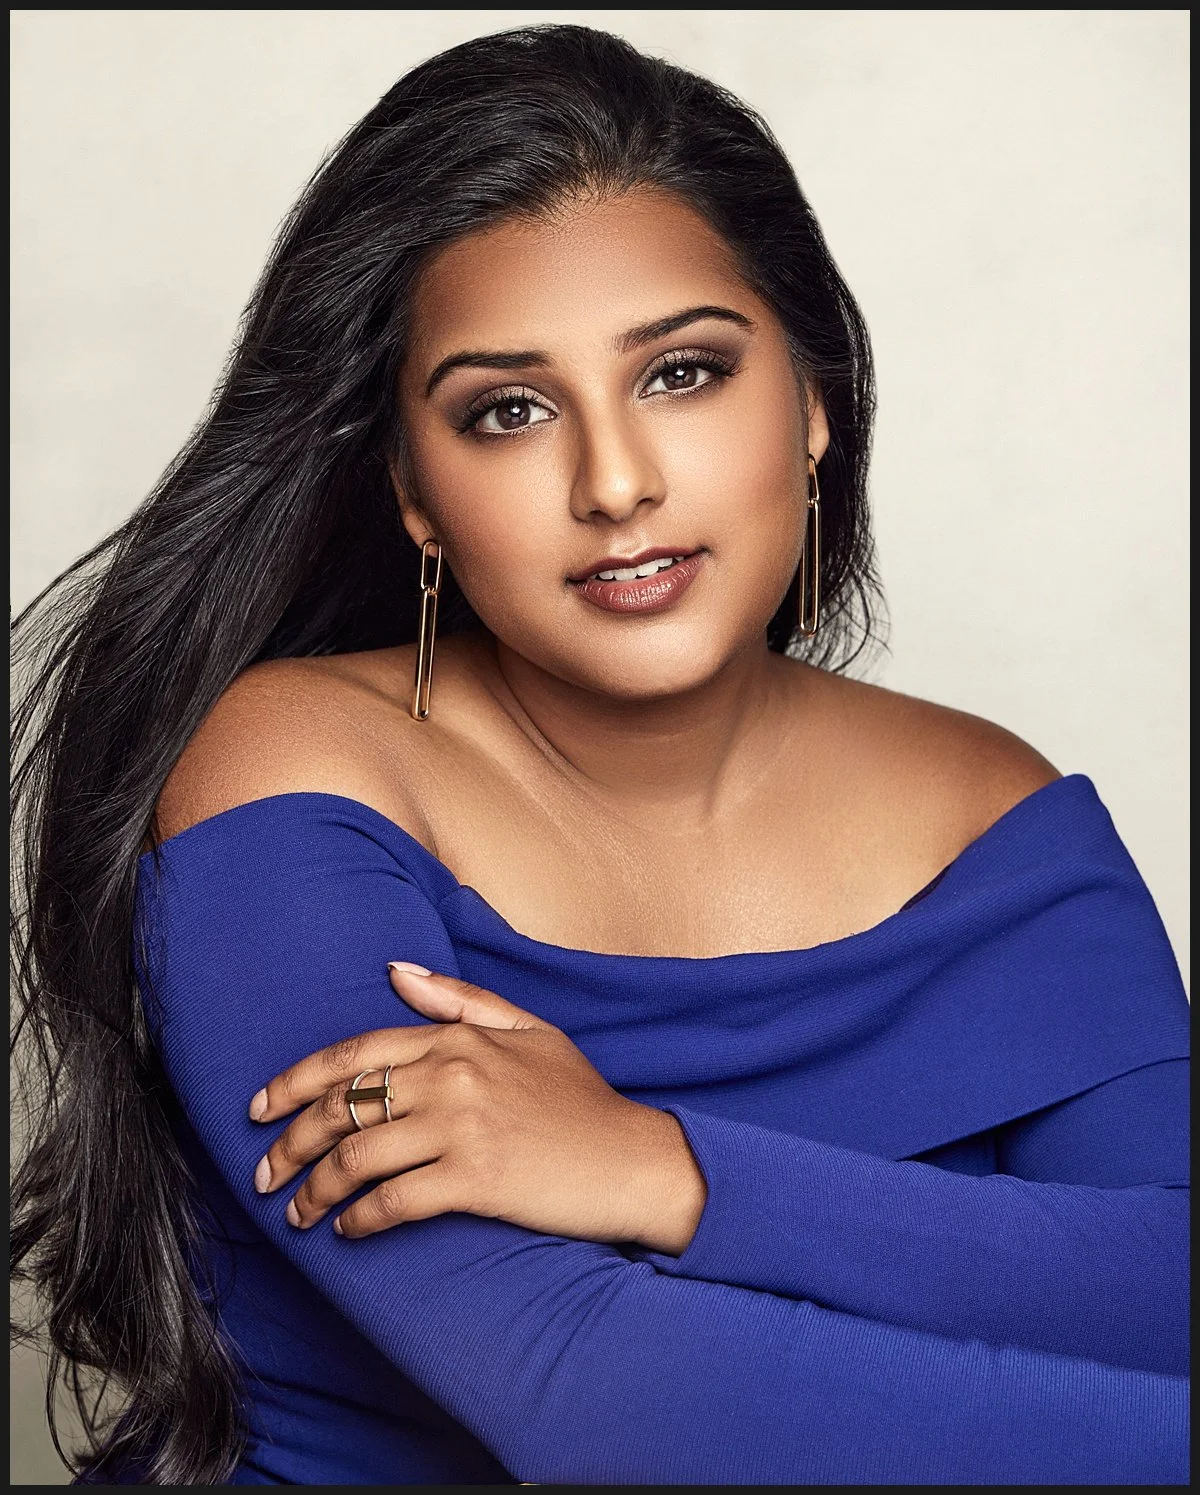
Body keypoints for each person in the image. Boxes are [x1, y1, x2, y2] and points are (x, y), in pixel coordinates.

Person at [10, 24, 1187, 1487]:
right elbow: (591, 1390)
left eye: (683, 373)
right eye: (507, 411)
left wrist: (660, 1166)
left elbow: (1171, 1285)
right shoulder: (291, 774)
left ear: (813, 403)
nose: (615, 482)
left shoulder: (995, 813)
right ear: (413, 494)